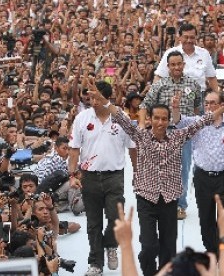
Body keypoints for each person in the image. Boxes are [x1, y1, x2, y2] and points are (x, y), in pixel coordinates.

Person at [102, 87, 224, 276]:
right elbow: (122, 118)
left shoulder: (177, 137)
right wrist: (104, 101)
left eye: (164, 119)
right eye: (156, 118)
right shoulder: (140, 136)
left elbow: (204, 121)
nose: (160, 122)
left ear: (168, 121)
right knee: (148, 246)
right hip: (146, 198)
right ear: (149, 119)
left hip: (169, 199)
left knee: (168, 247)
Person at [68, 80, 136, 276]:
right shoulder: (82, 118)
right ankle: (95, 263)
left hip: (114, 176)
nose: (93, 101)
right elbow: (74, 150)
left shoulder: (121, 118)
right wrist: (73, 175)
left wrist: (138, 173)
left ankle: (111, 245)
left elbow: (132, 148)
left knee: (115, 218)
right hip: (89, 176)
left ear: (107, 98)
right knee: (94, 223)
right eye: (90, 97)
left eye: (97, 97)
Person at [172, 91, 224, 254]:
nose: (209, 106)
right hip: (202, 178)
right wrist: (176, 107)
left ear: (221, 105)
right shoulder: (197, 122)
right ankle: (212, 252)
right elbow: (178, 121)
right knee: (205, 218)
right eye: (206, 103)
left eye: (213, 103)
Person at [138, 50, 202, 220]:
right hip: (162, 134)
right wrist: (143, 126)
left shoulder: (193, 85)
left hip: (184, 135)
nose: (176, 67)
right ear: (168, 66)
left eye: (179, 64)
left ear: (184, 64)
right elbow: (144, 105)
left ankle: (180, 205)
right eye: (172, 64)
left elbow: (197, 109)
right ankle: (160, 202)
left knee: (183, 169)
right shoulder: (159, 85)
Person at [35, 136, 84, 215]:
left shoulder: (60, 159)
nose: (67, 152)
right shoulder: (52, 161)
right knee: (72, 183)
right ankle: (78, 206)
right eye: (64, 148)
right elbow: (41, 185)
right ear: (56, 148)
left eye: (69, 149)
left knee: (76, 179)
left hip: (52, 194)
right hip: (47, 198)